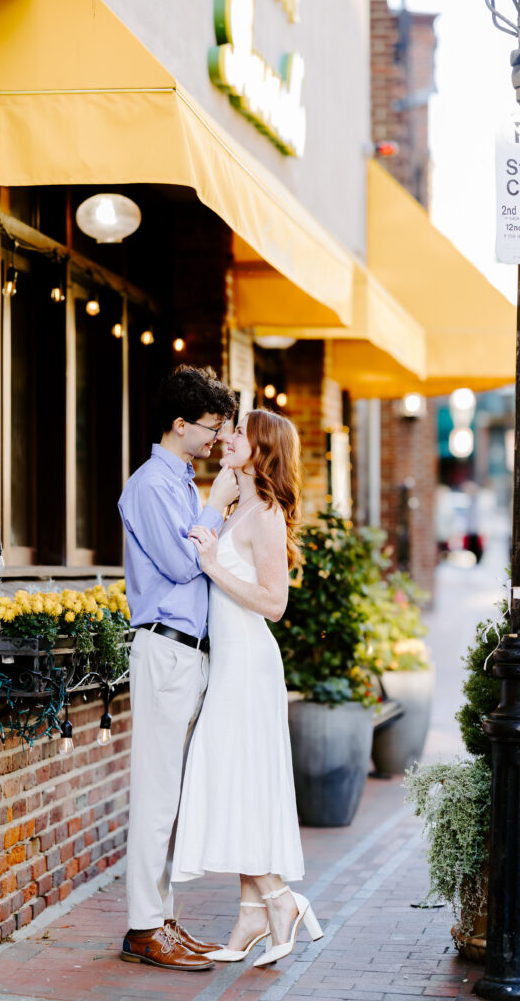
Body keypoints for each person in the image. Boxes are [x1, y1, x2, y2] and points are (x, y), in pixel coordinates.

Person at [171, 409, 324, 968]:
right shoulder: (243, 507)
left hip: (250, 664)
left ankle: (280, 901)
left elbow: (275, 605)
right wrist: (218, 498)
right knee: (239, 781)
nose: (227, 439)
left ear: (261, 448)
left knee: (234, 775)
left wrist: (212, 566)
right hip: (232, 662)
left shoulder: (267, 518)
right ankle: (252, 914)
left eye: (238, 434)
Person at [118, 365, 238, 972]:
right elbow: (181, 564)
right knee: (158, 793)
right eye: (211, 427)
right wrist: (215, 509)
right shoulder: (150, 485)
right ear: (179, 424)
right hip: (164, 647)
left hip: (185, 652)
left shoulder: (182, 482)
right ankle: (143, 926)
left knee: (173, 795)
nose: (216, 437)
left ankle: (160, 916)